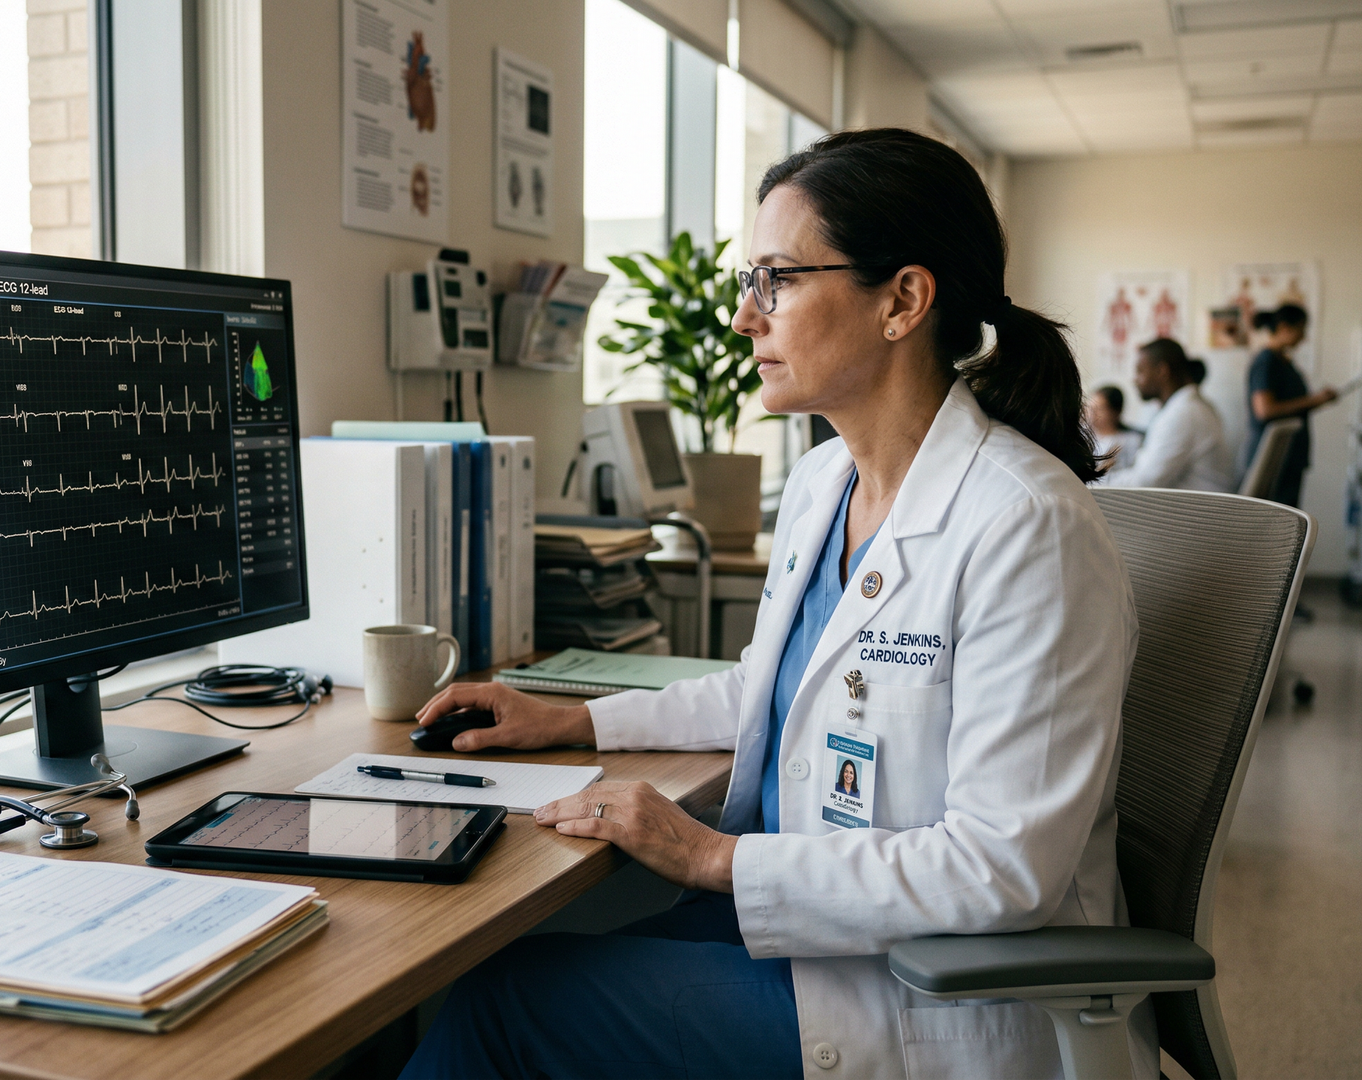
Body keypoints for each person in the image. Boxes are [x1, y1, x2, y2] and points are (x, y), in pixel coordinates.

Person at [400, 128, 1148, 1080]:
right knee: (511, 964)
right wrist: (571, 718)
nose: (747, 320)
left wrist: (712, 858)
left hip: (932, 996)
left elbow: (1002, 869)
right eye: (750, 282)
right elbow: (774, 690)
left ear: (903, 301)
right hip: (825, 937)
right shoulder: (825, 480)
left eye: (777, 282)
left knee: (506, 1003)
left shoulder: (1027, 525)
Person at [1100, 337, 1234, 491]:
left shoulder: (1183, 413)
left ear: (1161, 371)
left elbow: (1143, 483)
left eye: (1140, 371)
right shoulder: (1189, 406)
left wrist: (1094, 483)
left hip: (1195, 512)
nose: (1135, 379)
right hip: (1196, 507)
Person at [1245, 304, 1336, 507]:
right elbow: (1264, 410)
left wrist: (1317, 402)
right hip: (1273, 460)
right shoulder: (1266, 361)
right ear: (1285, 328)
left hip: (1289, 457)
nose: (1304, 338)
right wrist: (1315, 400)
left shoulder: (1283, 361)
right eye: (1301, 330)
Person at [1086, 384, 1142, 470]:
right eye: (1091, 408)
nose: (1093, 413)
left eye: (1100, 409)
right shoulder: (1085, 439)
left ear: (1115, 412)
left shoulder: (1131, 441)